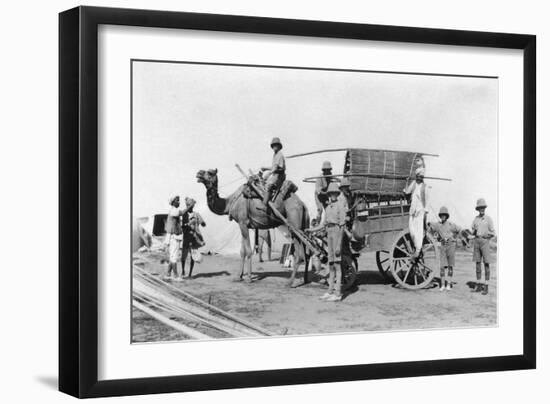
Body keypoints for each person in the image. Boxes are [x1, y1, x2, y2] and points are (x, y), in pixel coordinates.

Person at [307, 182, 347, 302]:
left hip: (336, 233)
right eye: (331, 193)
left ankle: (338, 293)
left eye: (335, 193)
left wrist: (339, 245)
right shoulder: (328, 208)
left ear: (337, 194)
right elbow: (323, 225)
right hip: (329, 234)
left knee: (338, 266)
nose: (333, 195)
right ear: (329, 194)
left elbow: (342, 227)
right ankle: (330, 291)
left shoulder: (340, 206)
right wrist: (311, 229)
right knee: (331, 265)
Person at [428, 206, 461, 291]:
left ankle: (449, 284)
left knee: (450, 266)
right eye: (441, 215)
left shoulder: (451, 225)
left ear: (446, 216)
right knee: (442, 267)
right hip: (443, 246)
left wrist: (455, 238)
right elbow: (430, 226)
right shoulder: (438, 225)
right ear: (440, 216)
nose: (443, 217)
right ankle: (442, 285)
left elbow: (459, 229)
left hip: (451, 246)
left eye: (444, 215)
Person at [470, 198, 495, 295]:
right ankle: (478, 285)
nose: (482, 209)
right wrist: (473, 233)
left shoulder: (488, 219)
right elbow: (472, 232)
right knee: (477, 264)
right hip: (476, 241)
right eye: (480, 208)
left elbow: (493, 233)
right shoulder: (475, 219)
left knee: (486, 264)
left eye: (483, 207)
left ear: (485, 208)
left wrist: (487, 235)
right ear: (478, 209)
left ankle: (486, 286)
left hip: (485, 242)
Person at [163, 195, 190, 281]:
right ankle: (175, 275)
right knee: (174, 257)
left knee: (172, 256)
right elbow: (182, 213)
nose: (179, 202)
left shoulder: (173, 210)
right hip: (174, 237)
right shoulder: (173, 211)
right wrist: (189, 207)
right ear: (173, 202)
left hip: (175, 236)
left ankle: (168, 273)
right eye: (177, 201)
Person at [403, 167, 428, 259]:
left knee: (419, 231)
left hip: (420, 211)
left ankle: (417, 250)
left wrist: (425, 212)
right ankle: (415, 247)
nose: (419, 178)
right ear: (416, 176)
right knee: (412, 231)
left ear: (422, 178)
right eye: (418, 176)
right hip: (413, 211)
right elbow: (407, 192)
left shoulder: (425, 187)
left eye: (421, 177)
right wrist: (406, 182)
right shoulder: (413, 184)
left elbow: (427, 201)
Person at [181, 197, 206, 278]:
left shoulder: (196, 214)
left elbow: (203, 223)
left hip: (194, 237)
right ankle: (183, 271)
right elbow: (182, 226)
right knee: (184, 255)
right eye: (188, 205)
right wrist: (188, 224)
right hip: (186, 237)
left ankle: (190, 274)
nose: (190, 207)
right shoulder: (184, 215)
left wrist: (202, 222)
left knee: (193, 256)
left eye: (191, 205)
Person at [260, 137, 286, 208]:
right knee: (263, 181)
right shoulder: (275, 155)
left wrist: (270, 173)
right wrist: (265, 168)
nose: (275, 147)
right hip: (275, 174)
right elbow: (273, 167)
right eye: (273, 145)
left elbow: (278, 169)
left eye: (276, 145)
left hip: (280, 175)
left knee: (269, 185)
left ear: (279, 146)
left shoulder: (280, 155)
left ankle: (264, 205)